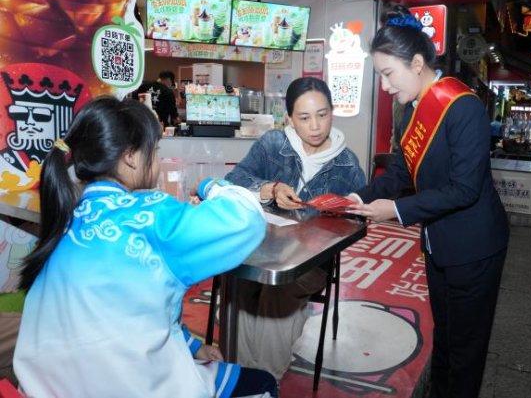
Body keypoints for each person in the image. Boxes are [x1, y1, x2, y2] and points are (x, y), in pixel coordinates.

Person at [13, 96, 278, 398]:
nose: (158, 160)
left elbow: (131, 307)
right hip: (124, 385)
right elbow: (247, 219)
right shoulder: (150, 216)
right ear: (130, 156)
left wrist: (192, 346)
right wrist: (210, 185)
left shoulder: (66, 218)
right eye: (155, 151)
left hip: (46, 387)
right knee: (263, 384)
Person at [345, 5, 509, 398]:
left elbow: (465, 189)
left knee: (466, 349)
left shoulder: (464, 107)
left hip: (474, 246)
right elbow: (400, 173)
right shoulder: (409, 112)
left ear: (417, 63)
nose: (385, 87)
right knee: (445, 336)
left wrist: (395, 210)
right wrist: (358, 197)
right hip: (438, 243)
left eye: (388, 74)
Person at [224, 76, 366, 380]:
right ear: (289, 118)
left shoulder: (348, 166)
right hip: (259, 250)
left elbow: (356, 222)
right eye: (304, 117)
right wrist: (271, 189)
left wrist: (337, 213)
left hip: (310, 264)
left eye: (322, 115)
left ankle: (264, 379)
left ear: (332, 112)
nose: (315, 126)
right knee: (237, 279)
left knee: (279, 290)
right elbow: (234, 180)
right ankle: (242, 376)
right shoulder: (273, 145)